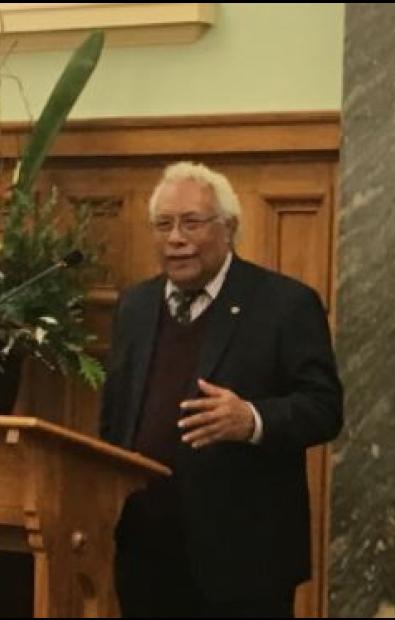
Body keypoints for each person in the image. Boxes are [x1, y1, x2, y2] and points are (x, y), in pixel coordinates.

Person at [99, 161, 343, 617]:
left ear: (228, 229)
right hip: (146, 552)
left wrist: (251, 419)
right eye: (164, 225)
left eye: (191, 222)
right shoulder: (135, 305)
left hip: (243, 561)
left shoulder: (285, 304)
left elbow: (325, 407)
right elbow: (115, 417)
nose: (176, 238)